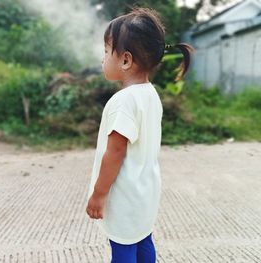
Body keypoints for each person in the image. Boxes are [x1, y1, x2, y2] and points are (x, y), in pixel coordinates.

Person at [85, 7, 194, 263]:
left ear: (125, 60)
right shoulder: (150, 94)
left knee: (122, 248)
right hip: (145, 192)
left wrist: (99, 194)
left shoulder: (123, 101)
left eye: (105, 52)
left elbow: (115, 152)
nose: (102, 59)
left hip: (123, 196)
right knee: (143, 238)